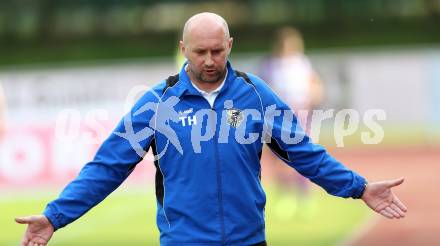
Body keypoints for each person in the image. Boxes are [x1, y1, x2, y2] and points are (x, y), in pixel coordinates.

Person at [16, 12, 407, 246]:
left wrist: (358, 187)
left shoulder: (257, 95)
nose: (208, 60)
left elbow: (304, 153)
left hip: (248, 241)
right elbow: (107, 167)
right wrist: (55, 216)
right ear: (183, 48)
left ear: (230, 45)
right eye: (199, 51)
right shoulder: (156, 103)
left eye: (217, 51)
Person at [258, 27, 324, 219]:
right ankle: (286, 195)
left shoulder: (302, 62)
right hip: (278, 113)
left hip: (299, 111)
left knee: (301, 154)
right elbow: (262, 87)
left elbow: (315, 84)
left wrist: (315, 94)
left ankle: (304, 196)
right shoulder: (270, 64)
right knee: (278, 156)